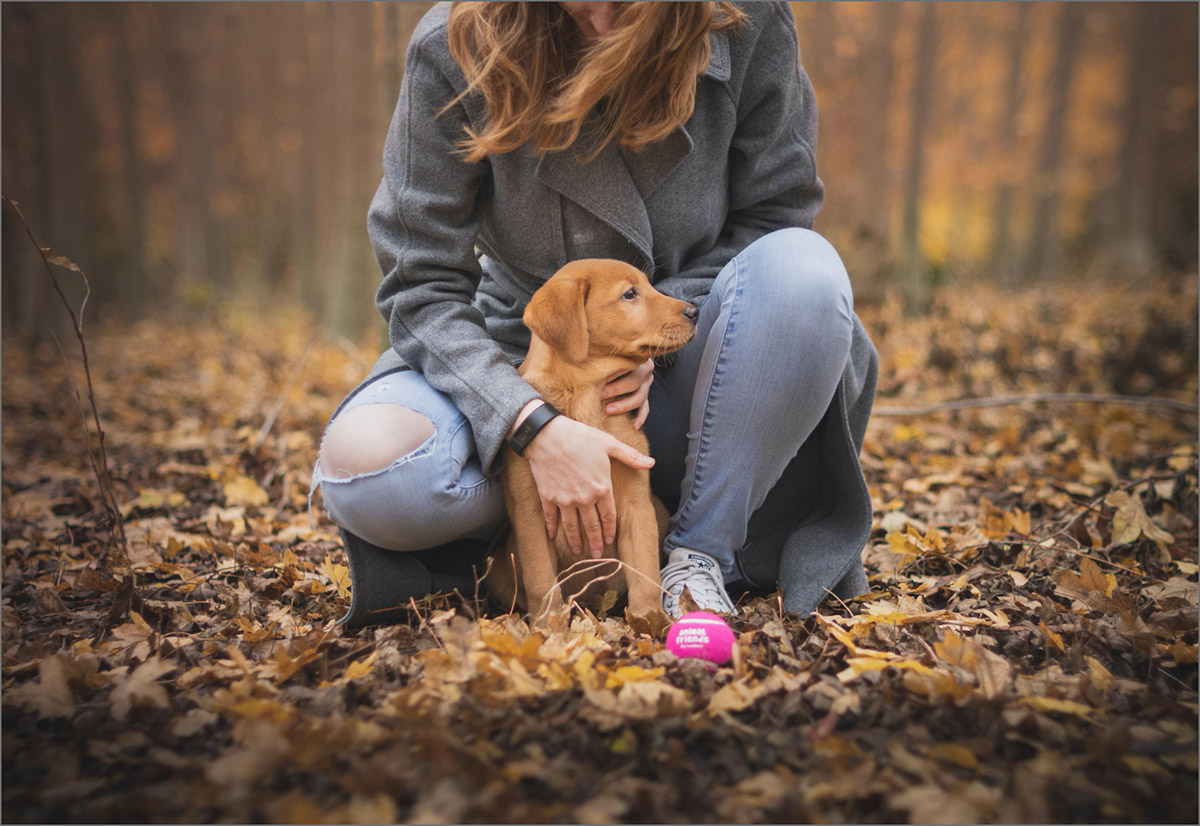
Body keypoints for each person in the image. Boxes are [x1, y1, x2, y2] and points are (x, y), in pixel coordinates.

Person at [313, 1, 878, 629]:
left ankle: (699, 551)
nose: (605, 21)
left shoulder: (748, 20)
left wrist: (652, 338)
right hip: (521, 355)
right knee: (368, 469)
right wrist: (525, 422)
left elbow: (776, 215)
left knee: (806, 269)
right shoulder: (456, 45)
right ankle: (529, 541)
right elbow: (420, 280)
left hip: (701, 361)